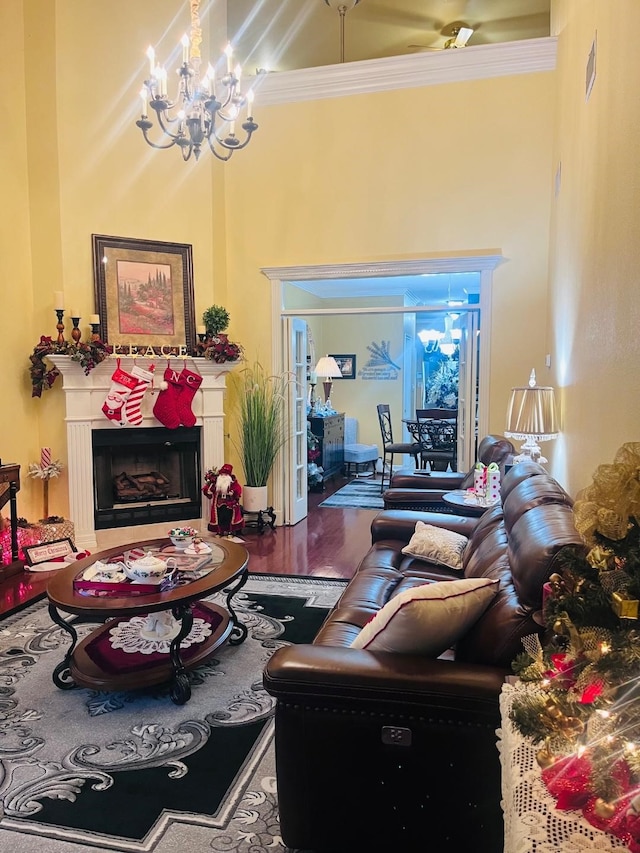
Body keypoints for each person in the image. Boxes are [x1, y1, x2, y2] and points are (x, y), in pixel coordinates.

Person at [202, 464, 243, 536]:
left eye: (225, 474)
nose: (223, 475)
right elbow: (208, 489)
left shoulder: (233, 482)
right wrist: (207, 490)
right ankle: (220, 531)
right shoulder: (216, 482)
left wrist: (233, 493)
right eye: (222, 473)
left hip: (229, 504)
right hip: (218, 504)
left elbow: (238, 490)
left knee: (229, 518)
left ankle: (230, 531)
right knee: (220, 518)